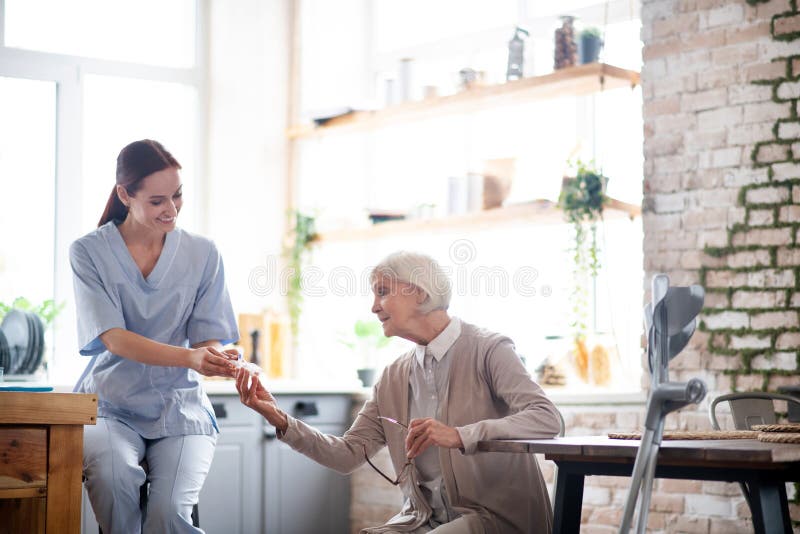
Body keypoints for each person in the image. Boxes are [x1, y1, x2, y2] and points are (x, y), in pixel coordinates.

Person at [236, 251, 561, 533]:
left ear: (418, 293)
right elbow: (348, 455)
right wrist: (276, 416)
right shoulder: (393, 376)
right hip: (423, 521)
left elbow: (546, 418)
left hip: (493, 519)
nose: (374, 307)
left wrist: (460, 435)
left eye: (382, 292)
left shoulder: (489, 349)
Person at [71, 139, 239, 533]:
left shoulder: (203, 253)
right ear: (125, 195)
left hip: (180, 407)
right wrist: (192, 359)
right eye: (158, 201)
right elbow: (114, 338)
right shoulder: (88, 252)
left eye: (178, 196)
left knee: (169, 512)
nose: (172, 209)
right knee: (114, 482)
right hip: (110, 405)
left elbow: (206, 339)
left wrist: (219, 357)